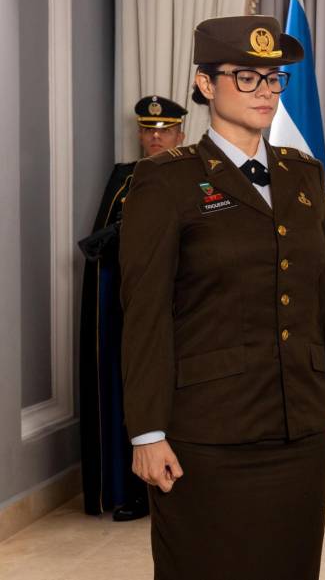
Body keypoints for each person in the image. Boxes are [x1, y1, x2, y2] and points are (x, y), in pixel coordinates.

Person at [119, 15, 325, 579]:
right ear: (205, 84)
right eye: (245, 77)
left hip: (300, 426)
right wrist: (147, 432)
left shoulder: (303, 174)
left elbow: (323, 298)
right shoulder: (165, 180)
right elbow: (146, 315)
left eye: (273, 78)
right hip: (207, 432)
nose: (265, 91)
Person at [78, 95, 187, 521]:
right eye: (148, 130)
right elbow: (102, 250)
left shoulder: (192, 172)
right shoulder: (124, 177)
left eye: (164, 131)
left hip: (179, 302)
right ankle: (131, 490)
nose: (155, 137)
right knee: (128, 386)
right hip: (127, 302)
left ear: (180, 133)